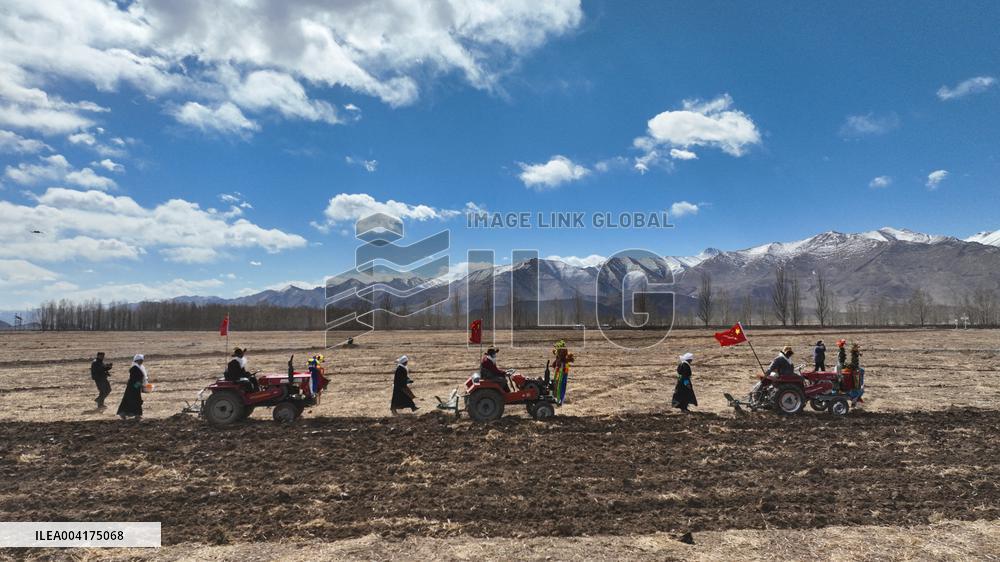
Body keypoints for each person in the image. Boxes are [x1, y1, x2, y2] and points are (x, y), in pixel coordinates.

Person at [117, 354, 145, 420]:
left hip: (135, 386)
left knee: (133, 400)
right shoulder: (134, 368)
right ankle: (136, 415)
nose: (141, 362)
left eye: (142, 360)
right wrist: (138, 385)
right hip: (133, 387)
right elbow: (134, 379)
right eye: (140, 360)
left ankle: (133, 414)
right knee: (134, 400)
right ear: (137, 360)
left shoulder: (138, 367)